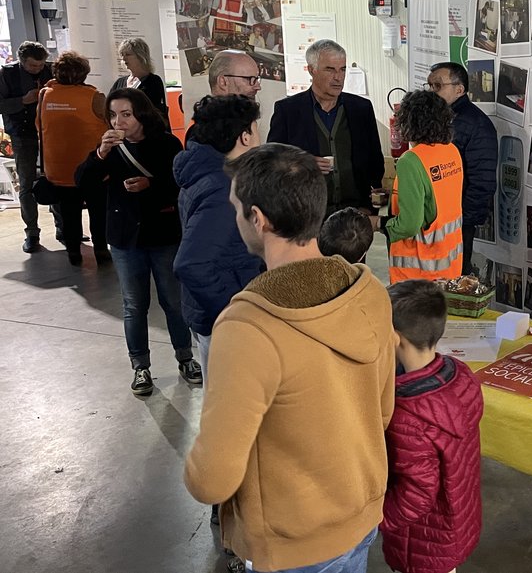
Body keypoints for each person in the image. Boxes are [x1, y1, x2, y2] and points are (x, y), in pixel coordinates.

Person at [184, 143, 396, 573]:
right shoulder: (369, 291)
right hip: (361, 516)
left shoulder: (247, 327)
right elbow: (383, 411)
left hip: (294, 544)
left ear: (258, 218)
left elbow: (213, 479)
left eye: (235, 207)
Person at [77, 89, 198, 395]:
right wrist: (99, 155)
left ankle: (185, 357)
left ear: (141, 115)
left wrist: (150, 184)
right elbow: (83, 182)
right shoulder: (109, 148)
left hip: (162, 234)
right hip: (124, 237)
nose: (119, 121)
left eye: (126, 114)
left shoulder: (167, 143)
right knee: (134, 304)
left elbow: (180, 186)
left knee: (173, 301)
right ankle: (140, 367)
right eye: (113, 115)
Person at [380, 279, 483, 573]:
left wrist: (377, 518)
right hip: (454, 522)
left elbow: (418, 493)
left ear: (394, 336)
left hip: (421, 538)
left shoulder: (407, 415)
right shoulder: (460, 375)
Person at [174, 95, 264, 376]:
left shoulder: (207, 172)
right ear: (245, 136)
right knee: (233, 411)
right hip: (225, 323)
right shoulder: (221, 188)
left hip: (217, 316)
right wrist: (234, 311)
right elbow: (191, 264)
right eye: (256, 127)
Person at [268, 39, 383, 216]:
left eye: (342, 69)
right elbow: (271, 162)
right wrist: (302, 164)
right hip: (307, 215)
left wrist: (368, 207)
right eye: (330, 69)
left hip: (355, 213)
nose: (338, 77)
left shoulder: (361, 108)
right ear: (311, 70)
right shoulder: (288, 111)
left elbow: (375, 161)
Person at [34, 51, 109, 266]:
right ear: (84, 74)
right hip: (90, 166)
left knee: (69, 211)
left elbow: (39, 126)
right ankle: (101, 249)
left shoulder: (45, 94)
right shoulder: (94, 97)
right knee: (97, 210)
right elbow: (108, 124)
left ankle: (74, 252)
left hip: (59, 167)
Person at [384, 90, 464, 283]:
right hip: (449, 263)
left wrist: (381, 225)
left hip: (418, 271)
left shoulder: (411, 161)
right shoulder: (451, 151)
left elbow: (409, 224)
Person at [427, 61, 498, 275]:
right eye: (429, 85)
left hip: (458, 220)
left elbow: (482, 181)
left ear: (459, 89)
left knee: (455, 276)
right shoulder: (439, 118)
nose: (431, 92)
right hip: (435, 217)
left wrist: (463, 220)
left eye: (438, 86)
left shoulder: (476, 124)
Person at [0, 41, 57, 252]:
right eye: (33, 66)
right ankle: (32, 232)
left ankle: (63, 228)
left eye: (40, 65)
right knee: (26, 182)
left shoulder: (51, 69)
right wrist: (22, 100)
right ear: (22, 61)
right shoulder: (7, 74)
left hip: (50, 133)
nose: (37, 69)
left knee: (56, 177)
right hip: (22, 133)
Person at [110, 38, 168, 119]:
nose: (123, 58)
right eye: (122, 55)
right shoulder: (120, 82)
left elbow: (153, 111)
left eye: (128, 54)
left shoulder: (153, 81)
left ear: (140, 56)